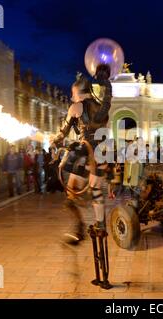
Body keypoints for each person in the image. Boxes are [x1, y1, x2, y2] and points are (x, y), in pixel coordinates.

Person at [52, 64, 112, 243]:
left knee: (70, 199)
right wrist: (104, 80)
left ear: (79, 92)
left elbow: (63, 133)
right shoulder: (102, 106)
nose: (71, 97)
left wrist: (54, 141)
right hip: (102, 154)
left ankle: (79, 229)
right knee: (97, 193)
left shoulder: (76, 107)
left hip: (85, 154)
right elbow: (108, 97)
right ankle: (100, 226)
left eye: (73, 93)